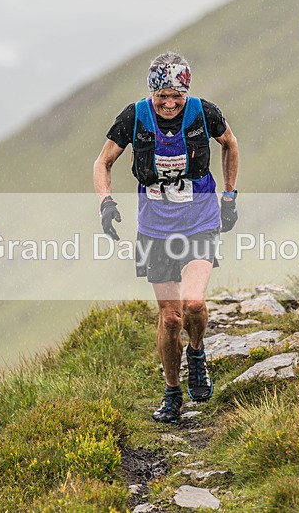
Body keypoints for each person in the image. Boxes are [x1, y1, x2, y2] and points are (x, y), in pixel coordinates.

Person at [93, 52, 240, 423]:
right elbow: (102, 162)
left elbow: (231, 145)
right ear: (151, 94)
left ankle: (196, 351)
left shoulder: (204, 112)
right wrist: (105, 204)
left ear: (186, 91)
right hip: (155, 230)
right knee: (171, 317)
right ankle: (172, 392)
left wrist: (230, 196)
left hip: (200, 221)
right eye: (162, 97)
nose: (169, 103)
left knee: (192, 304)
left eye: (176, 95)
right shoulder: (135, 117)